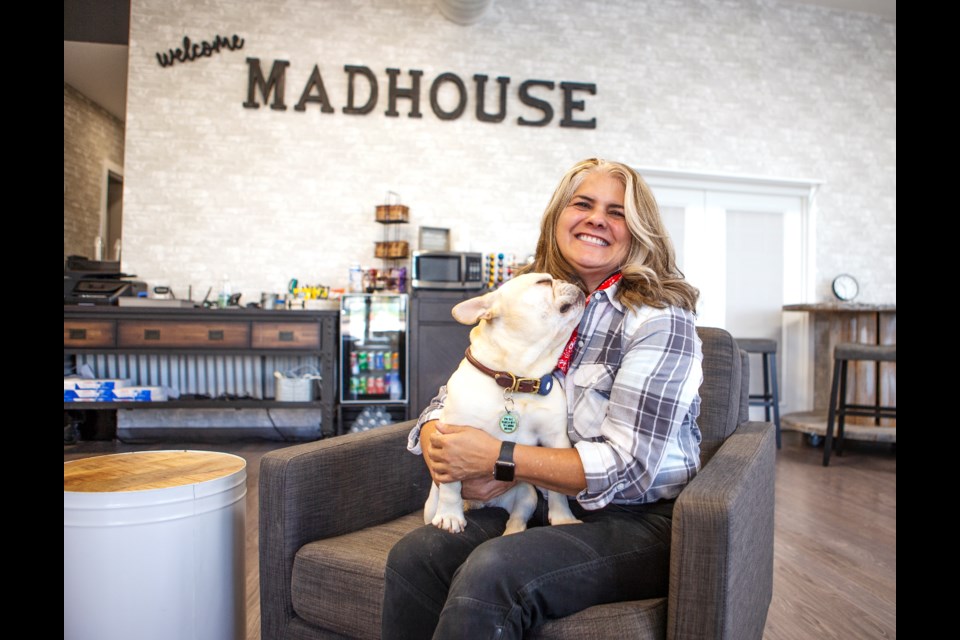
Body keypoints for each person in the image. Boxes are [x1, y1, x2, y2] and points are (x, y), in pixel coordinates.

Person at [382, 158, 703, 640]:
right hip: (541, 501)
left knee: (495, 570)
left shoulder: (660, 321)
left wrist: (501, 459)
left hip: (636, 520)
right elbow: (470, 386)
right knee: (416, 556)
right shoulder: (531, 299)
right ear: (557, 218)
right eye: (583, 204)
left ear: (639, 232)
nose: (597, 218)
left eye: (616, 212)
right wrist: (435, 433)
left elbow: (631, 468)